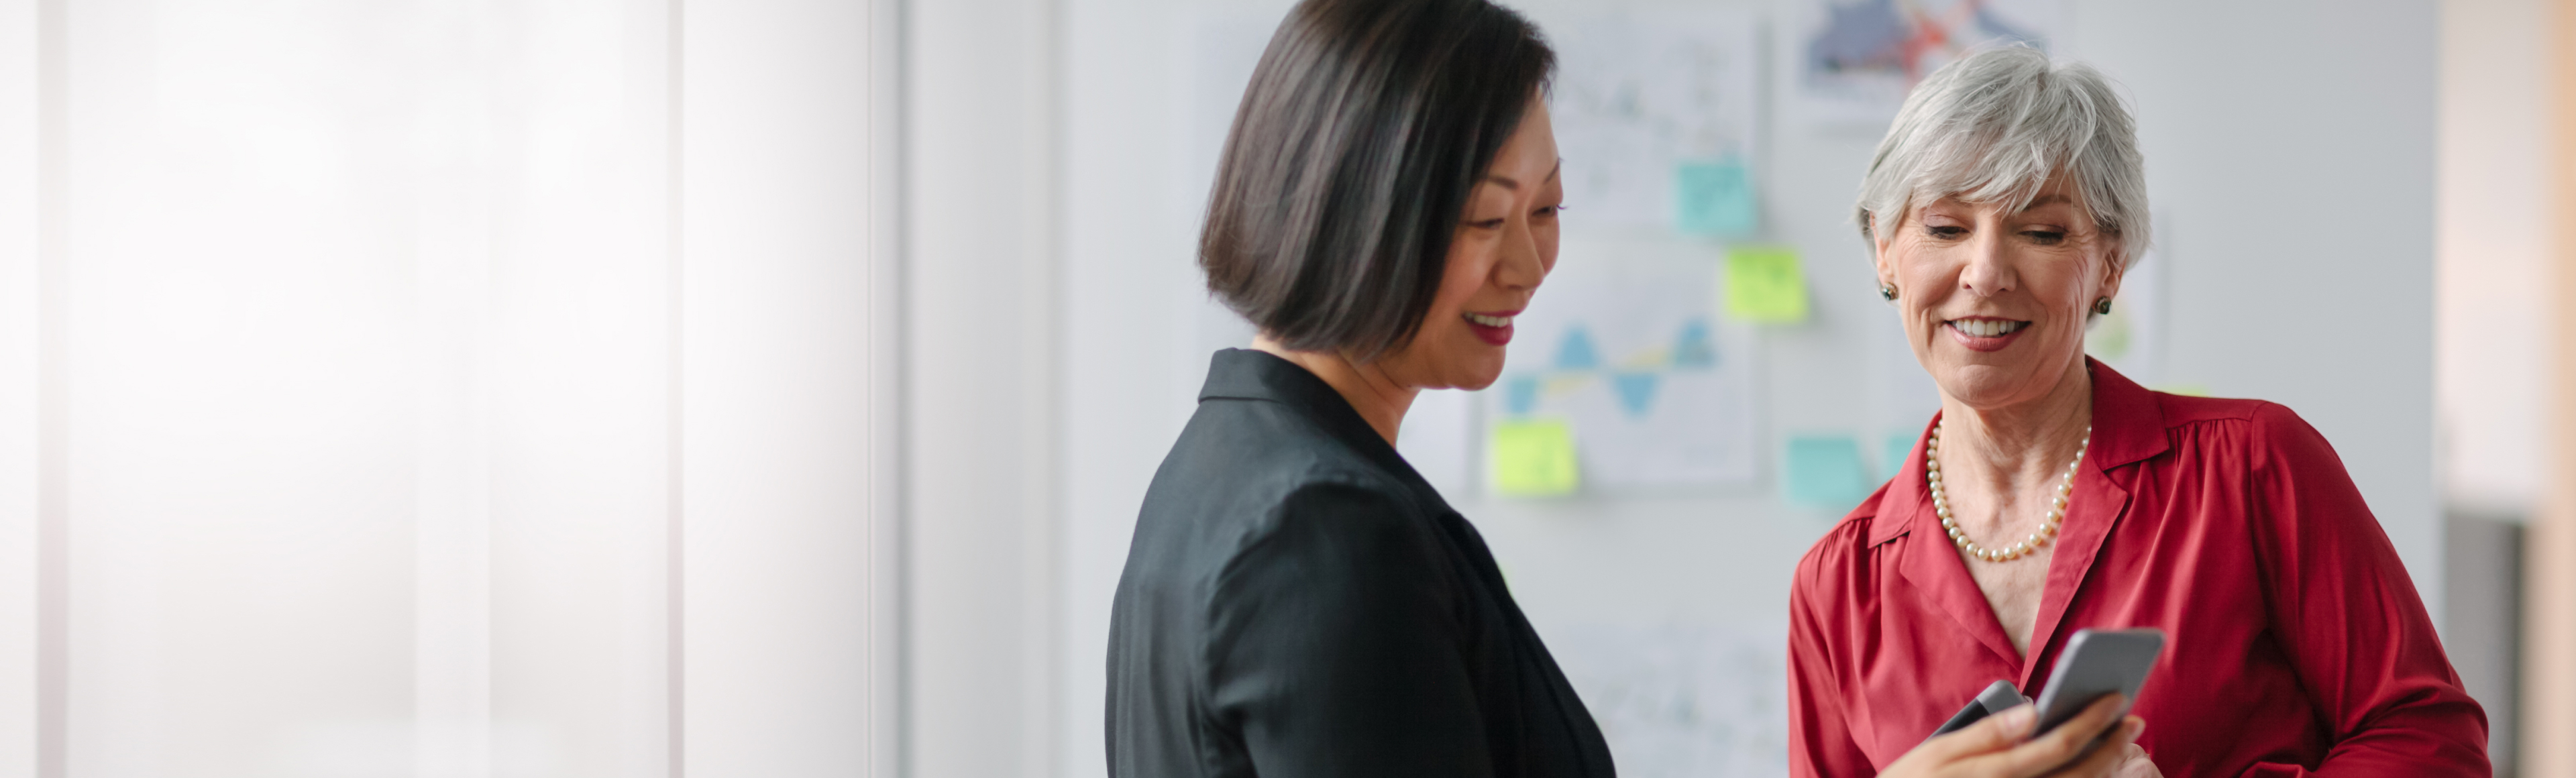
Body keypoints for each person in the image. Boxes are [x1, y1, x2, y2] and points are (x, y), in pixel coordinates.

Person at [1107, 3, 2145, 777]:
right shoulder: (1322, 529)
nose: (1529, 265)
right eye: (1484, 218)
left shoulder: (1222, 470)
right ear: (1353, 203)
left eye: (1549, 210)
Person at [1788, 45, 2491, 777]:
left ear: (2111, 265)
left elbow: (2434, 744)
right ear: (1884, 249)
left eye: (2042, 231)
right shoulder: (1837, 584)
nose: (1987, 272)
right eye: (1943, 227)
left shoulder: (2254, 466)